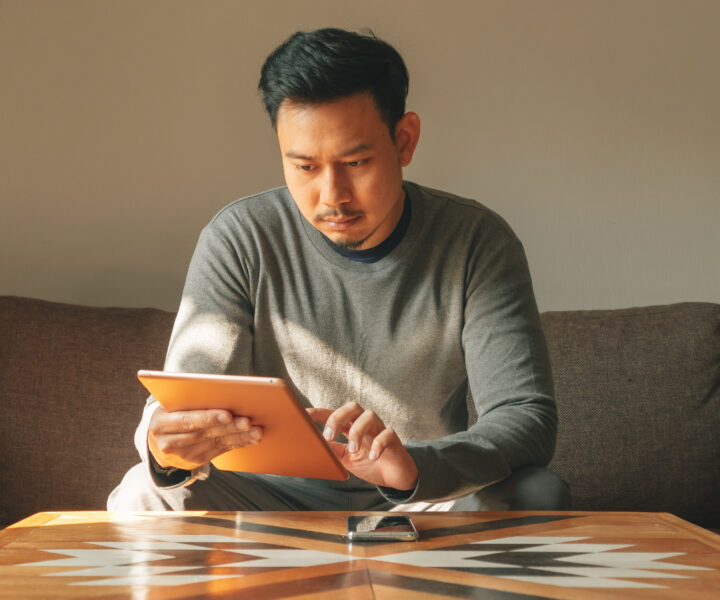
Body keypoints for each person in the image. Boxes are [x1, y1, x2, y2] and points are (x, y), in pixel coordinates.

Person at [108, 27, 570, 513]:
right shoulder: (240, 237)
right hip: (266, 498)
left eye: (355, 161)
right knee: (144, 491)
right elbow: (186, 401)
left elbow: (525, 417)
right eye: (305, 168)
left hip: (420, 495)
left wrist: (412, 468)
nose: (332, 196)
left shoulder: (477, 241)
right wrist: (167, 451)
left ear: (405, 140)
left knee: (538, 493)